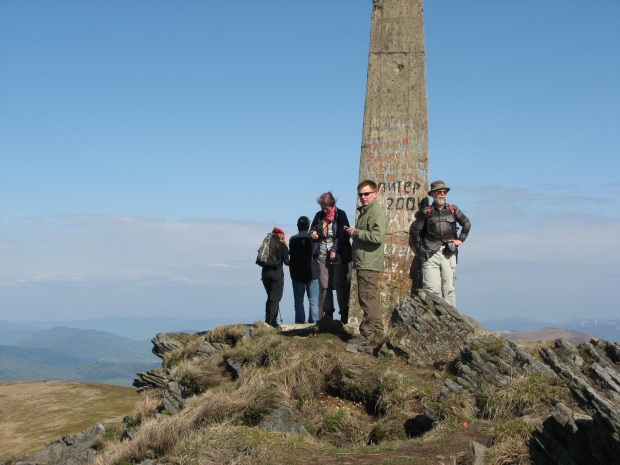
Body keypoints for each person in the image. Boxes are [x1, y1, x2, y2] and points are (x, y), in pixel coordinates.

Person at [409, 180, 471, 308]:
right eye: (439, 192)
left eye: (444, 192)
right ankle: (434, 321)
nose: (442, 194)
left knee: (449, 290)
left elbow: (466, 223)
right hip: (429, 254)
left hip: (449, 253)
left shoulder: (454, 210)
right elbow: (415, 230)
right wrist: (420, 249)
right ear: (432, 194)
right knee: (432, 290)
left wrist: (460, 240)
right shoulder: (427, 212)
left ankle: (451, 320)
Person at [345, 180, 386, 343]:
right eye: (360, 194)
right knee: (369, 298)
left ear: (375, 194)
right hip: (365, 261)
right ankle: (377, 332)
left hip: (369, 262)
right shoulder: (367, 211)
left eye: (366, 194)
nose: (363, 197)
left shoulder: (376, 212)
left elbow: (377, 237)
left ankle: (366, 335)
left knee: (366, 298)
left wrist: (356, 233)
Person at [309, 192, 352, 323]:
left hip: (338, 254)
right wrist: (313, 234)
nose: (324, 210)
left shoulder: (341, 215)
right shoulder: (319, 215)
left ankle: (344, 314)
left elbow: (344, 235)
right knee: (324, 284)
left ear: (332, 205)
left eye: (326, 208)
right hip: (322, 253)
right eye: (322, 208)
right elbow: (313, 230)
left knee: (340, 284)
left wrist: (335, 249)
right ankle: (328, 315)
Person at [288, 216, 320, 324]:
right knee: (313, 301)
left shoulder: (292, 239)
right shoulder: (312, 239)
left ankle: (300, 322)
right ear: (308, 226)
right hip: (312, 272)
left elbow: (291, 254)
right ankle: (314, 321)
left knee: (298, 300)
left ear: (298, 226)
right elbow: (316, 253)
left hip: (297, 273)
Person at [261, 227, 290, 327]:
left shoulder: (266, 245)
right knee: (275, 298)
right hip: (276, 273)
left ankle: (267, 319)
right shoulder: (282, 246)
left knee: (270, 297)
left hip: (265, 273)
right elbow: (287, 262)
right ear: (281, 236)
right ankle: (272, 322)